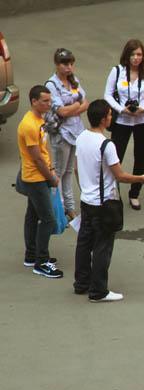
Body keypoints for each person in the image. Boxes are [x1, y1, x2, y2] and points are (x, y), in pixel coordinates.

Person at [74, 100, 144, 302]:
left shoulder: (82, 137)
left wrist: (85, 188)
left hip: (87, 200)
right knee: (103, 246)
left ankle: (81, 283)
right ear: (103, 119)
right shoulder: (106, 145)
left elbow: (76, 168)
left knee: (84, 243)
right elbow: (120, 176)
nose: (112, 118)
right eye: (110, 115)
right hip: (103, 204)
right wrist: (142, 178)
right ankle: (98, 291)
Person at [104, 39, 144, 211]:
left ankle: (135, 193)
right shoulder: (117, 71)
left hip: (143, 120)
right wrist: (121, 109)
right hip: (122, 120)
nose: (136, 58)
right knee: (116, 156)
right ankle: (114, 192)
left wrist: (143, 109)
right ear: (127, 55)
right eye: (133, 54)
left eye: (139, 54)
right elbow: (108, 95)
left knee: (140, 156)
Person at [17, 85, 61, 278]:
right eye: (45, 101)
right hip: (35, 178)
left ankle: (31, 255)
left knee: (33, 215)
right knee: (48, 219)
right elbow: (36, 158)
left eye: (49, 101)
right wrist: (51, 178)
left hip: (39, 175)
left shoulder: (39, 120)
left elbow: (44, 149)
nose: (49, 104)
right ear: (34, 101)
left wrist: (51, 169)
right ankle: (41, 262)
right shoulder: (28, 125)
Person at [45, 48, 88, 221]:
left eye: (71, 63)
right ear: (57, 64)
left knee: (70, 170)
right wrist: (77, 106)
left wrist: (74, 107)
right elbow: (61, 111)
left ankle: (69, 208)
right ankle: (58, 208)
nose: (69, 67)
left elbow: (86, 102)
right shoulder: (51, 85)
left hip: (76, 131)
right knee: (59, 172)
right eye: (65, 64)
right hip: (61, 133)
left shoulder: (74, 81)